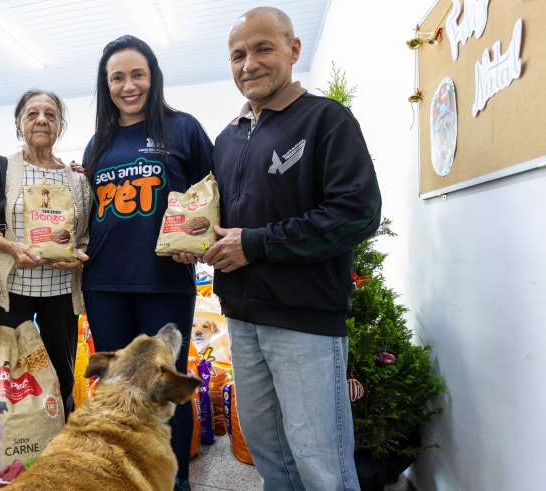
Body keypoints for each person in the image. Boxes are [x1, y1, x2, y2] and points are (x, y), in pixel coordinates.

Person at [185, 7, 381, 491]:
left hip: (305, 320)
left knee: (321, 462)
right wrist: (196, 240)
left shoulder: (327, 120)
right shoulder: (227, 139)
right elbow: (224, 220)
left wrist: (256, 244)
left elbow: (356, 212)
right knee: (267, 450)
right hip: (243, 318)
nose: (248, 63)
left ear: (293, 50)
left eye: (262, 48)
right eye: (237, 55)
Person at [80, 35, 215, 491]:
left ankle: (174, 483)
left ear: (153, 77)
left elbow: (210, 199)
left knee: (167, 387)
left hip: (165, 280)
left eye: (137, 74)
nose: (128, 85)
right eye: (117, 77)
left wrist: (198, 243)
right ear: (106, 85)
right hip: (104, 283)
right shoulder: (97, 143)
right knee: (117, 391)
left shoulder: (184, 129)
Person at [0, 89, 92, 418]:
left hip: (61, 293)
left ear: (60, 126)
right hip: (9, 291)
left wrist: (77, 253)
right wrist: (11, 247)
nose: (41, 119)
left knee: (60, 378)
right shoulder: (1, 168)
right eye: (32, 114)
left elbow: (85, 236)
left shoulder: (78, 180)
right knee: (6, 379)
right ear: (18, 125)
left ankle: (56, 448)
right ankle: (11, 455)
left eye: (51, 114)